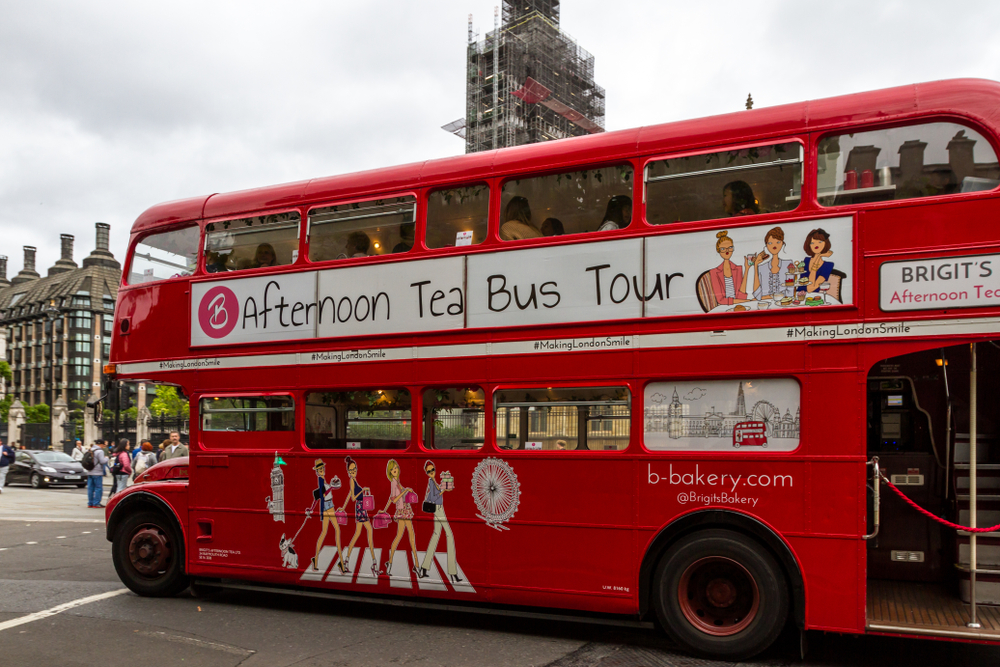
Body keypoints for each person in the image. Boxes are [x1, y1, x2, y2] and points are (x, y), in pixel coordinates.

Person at [417, 460, 461, 583]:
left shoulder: (435, 481)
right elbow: (433, 498)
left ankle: (424, 567)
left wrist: (444, 488)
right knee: (449, 535)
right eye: (429, 471)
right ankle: (453, 573)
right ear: (426, 473)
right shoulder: (431, 482)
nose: (431, 472)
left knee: (436, 534)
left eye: (432, 470)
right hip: (438, 508)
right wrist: (443, 491)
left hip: (438, 508)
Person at [340, 457, 378, 577]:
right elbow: (353, 497)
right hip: (360, 508)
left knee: (359, 534)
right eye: (351, 470)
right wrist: (363, 490)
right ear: (348, 472)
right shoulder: (352, 480)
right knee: (366, 532)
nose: (353, 471)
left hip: (361, 509)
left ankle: (346, 561)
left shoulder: (354, 480)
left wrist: (343, 507)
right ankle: (373, 564)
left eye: (354, 469)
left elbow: (348, 494)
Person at [382, 459, 419, 577]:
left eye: (396, 468)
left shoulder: (397, 481)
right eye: (393, 470)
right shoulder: (393, 482)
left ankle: (391, 563)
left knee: (405, 536)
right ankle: (415, 566)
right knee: (407, 536)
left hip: (405, 509)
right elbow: (395, 499)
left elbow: (390, 497)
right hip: (402, 511)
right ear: (390, 472)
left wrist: (384, 509)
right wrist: (405, 491)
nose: (395, 470)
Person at [310, 459, 345, 573]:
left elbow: (319, 496)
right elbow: (323, 494)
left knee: (325, 532)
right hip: (328, 506)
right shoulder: (320, 480)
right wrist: (332, 487)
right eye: (319, 470)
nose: (322, 471)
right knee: (336, 531)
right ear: (317, 472)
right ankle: (341, 562)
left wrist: (331, 485)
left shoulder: (323, 480)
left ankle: (316, 559)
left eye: (322, 469)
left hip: (329, 505)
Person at [747, 226, 789, 301]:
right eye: (770, 243)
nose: (774, 245)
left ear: (782, 243)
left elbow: (790, 291)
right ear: (766, 246)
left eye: (778, 242)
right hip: (765, 306)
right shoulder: (762, 267)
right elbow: (757, 294)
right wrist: (756, 265)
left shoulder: (788, 264)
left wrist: (768, 296)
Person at [709, 230, 749, 306]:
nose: (727, 251)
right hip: (724, 310)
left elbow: (742, 295)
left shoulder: (738, 269)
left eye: (730, 247)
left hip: (739, 306)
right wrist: (744, 301)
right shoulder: (714, 272)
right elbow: (720, 300)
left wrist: (747, 269)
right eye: (723, 249)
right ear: (718, 251)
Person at [802, 228, 835, 293]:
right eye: (812, 243)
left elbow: (810, 289)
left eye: (820, 242)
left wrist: (818, 255)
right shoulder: (806, 261)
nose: (816, 245)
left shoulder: (828, 266)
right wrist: (819, 255)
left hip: (814, 298)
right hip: (798, 297)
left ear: (825, 243)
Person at [86, 442, 108, 508]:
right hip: (97, 472)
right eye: (103, 445)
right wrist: (106, 458)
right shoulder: (100, 451)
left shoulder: (89, 450)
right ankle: (96, 503)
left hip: (89, 471)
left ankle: (90, 503)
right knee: (98, 488)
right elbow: (102, 461)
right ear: (101, 444)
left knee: (90, 488)